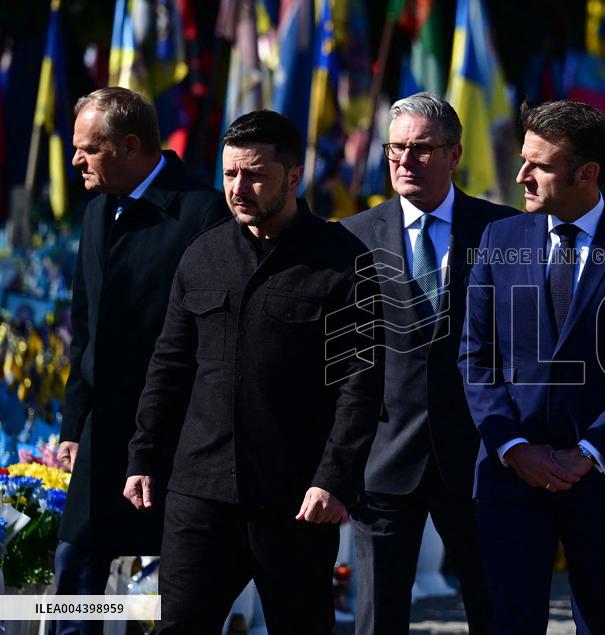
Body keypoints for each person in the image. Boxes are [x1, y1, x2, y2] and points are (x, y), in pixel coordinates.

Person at [123, 110, 382, 633]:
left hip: (296, 502)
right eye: (229, 174)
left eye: (254, 174)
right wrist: (143, 455)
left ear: (293, 176)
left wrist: (334, 479)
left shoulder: (342, 261)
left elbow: (360, 385)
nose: (238, 188)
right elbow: (169, 365)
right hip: (199, 497)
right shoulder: (203, 254)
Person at [459, 100, 605, 634]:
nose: (522, 176)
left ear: (586, 173)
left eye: (538, 165)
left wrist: (589, 451)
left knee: (603, 619)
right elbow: (475, 354)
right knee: (509, 620)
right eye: (523, 160)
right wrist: (514, 448)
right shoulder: (500, 238)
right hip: (510, 477)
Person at [340, 92, 515, 635]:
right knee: (378, 616)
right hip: (385, 459)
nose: (404, 161)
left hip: (481, 457)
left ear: (454, 154)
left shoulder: (504, 233)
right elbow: (345, 358)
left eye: (421, 149)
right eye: (395, 149)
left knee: (497, 611)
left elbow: (524, 348)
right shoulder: (351, 237)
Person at [57, 86, 228, 635]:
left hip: (173, 440)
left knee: (170, 593)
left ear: (130, 146)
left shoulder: (203, 212)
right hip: (102, 433)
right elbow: (86, 329)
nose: (76, 160)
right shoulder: (95, 212)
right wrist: (72, 422)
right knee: (73, 573)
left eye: (89, 149)